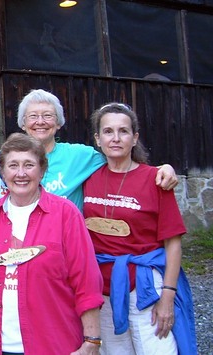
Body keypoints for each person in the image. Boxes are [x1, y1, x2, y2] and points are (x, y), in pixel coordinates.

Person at [0, 133, 104, 355]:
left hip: (52, 343)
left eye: (29, 165)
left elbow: (87, 280)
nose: (21, 173)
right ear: (2, 172)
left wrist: (92, 340)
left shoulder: (65, 214)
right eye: (13, 165)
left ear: (42, 171)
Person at [83, 103, 197, 354]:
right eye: (108, 131)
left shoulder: (155, 179)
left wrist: (168, 295)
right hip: (102, 288)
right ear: (97, 139)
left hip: (145, 287)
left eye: (123, 131)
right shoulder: (88, 177)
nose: (115, 138)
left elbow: (173, 242)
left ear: (134, 138)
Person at [0, 89, 178, 210]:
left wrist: (163, 168)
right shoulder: (9, 155)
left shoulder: (81, 156)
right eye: (33, 116)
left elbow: (120, 159)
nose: (40, 122)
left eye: (48, 116)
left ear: (59, 123)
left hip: (67, 241)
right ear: (23, 123)